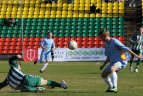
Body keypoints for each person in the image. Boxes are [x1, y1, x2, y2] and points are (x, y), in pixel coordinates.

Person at [0, 55, 67, 92]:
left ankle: (37, 89)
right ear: (18, 64)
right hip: (27, 79)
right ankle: (61, 85)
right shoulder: (14, 67)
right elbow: (10, 60)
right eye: (20, 65)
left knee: (24, 88)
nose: (20, 67)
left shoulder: (8, 80)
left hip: (22, 87)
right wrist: (16, 57)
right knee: (46, 82)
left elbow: (1, 85)